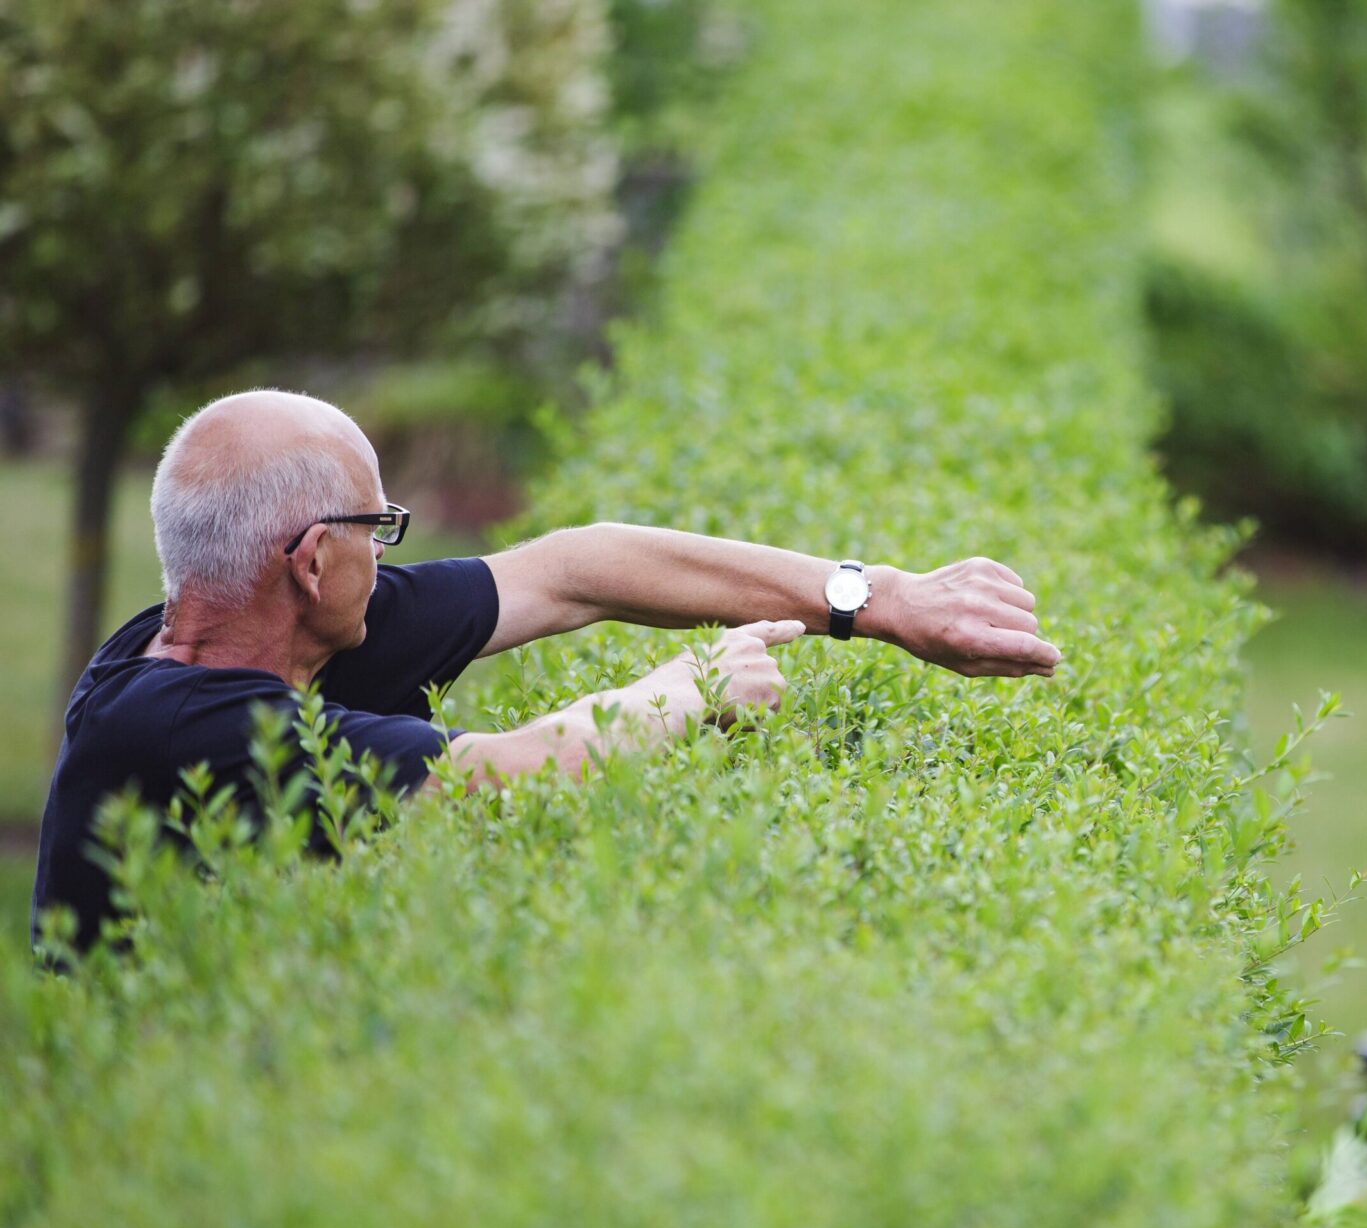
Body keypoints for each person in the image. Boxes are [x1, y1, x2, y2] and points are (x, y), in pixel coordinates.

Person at [32, 389, 1061, 955]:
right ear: (308, 560)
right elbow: (491, 777)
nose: (388, 551)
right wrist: (689, 688)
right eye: (378, 526)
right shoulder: (181, 723)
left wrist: (878, 597)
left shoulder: (266, 626)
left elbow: (578, 568)